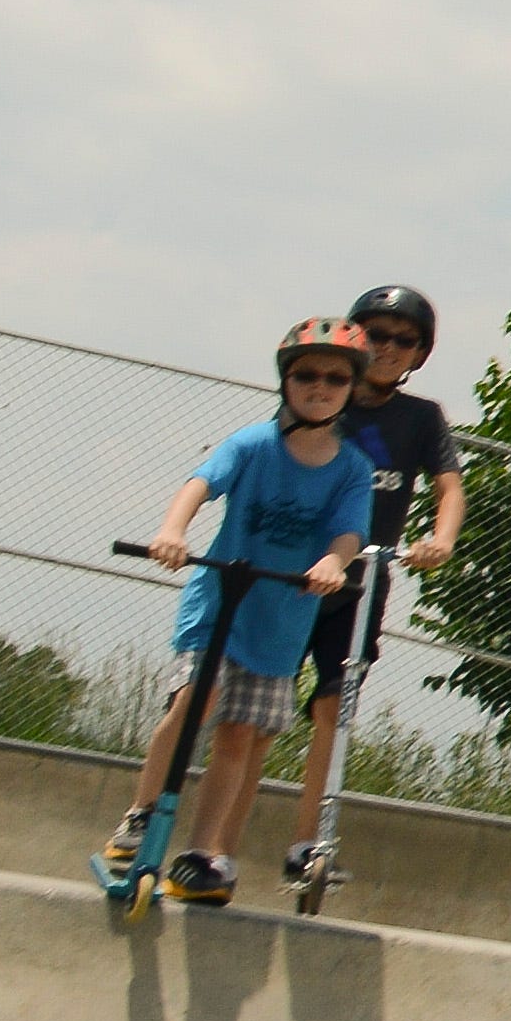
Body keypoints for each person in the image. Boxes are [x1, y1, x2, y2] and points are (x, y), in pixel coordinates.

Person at [100, 320, 378, 907]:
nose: (320, 387)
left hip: (280, 621)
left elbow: (349, 532)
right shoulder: (253, 444)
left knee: (239, 735)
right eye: (306, 375)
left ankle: (202, 854)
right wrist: (172, 532)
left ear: (351, 388)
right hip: (219, 603)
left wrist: (333, 563)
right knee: (194, 701)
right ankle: (141, 815)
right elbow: (201, 483)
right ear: (286, 381)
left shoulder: (351, 467)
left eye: (335, 378)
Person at [282, 278, 472, 889]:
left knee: (335, 709)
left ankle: (308, 841)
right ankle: (203, 831)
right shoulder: (320, 398)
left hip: (360, 583)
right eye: (378, 334)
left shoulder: (421, 419)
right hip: (289, 573)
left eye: (404, 340)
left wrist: (441, 538)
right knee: (251, 707)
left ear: (420, 354)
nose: (389, 347)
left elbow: (448, 487)